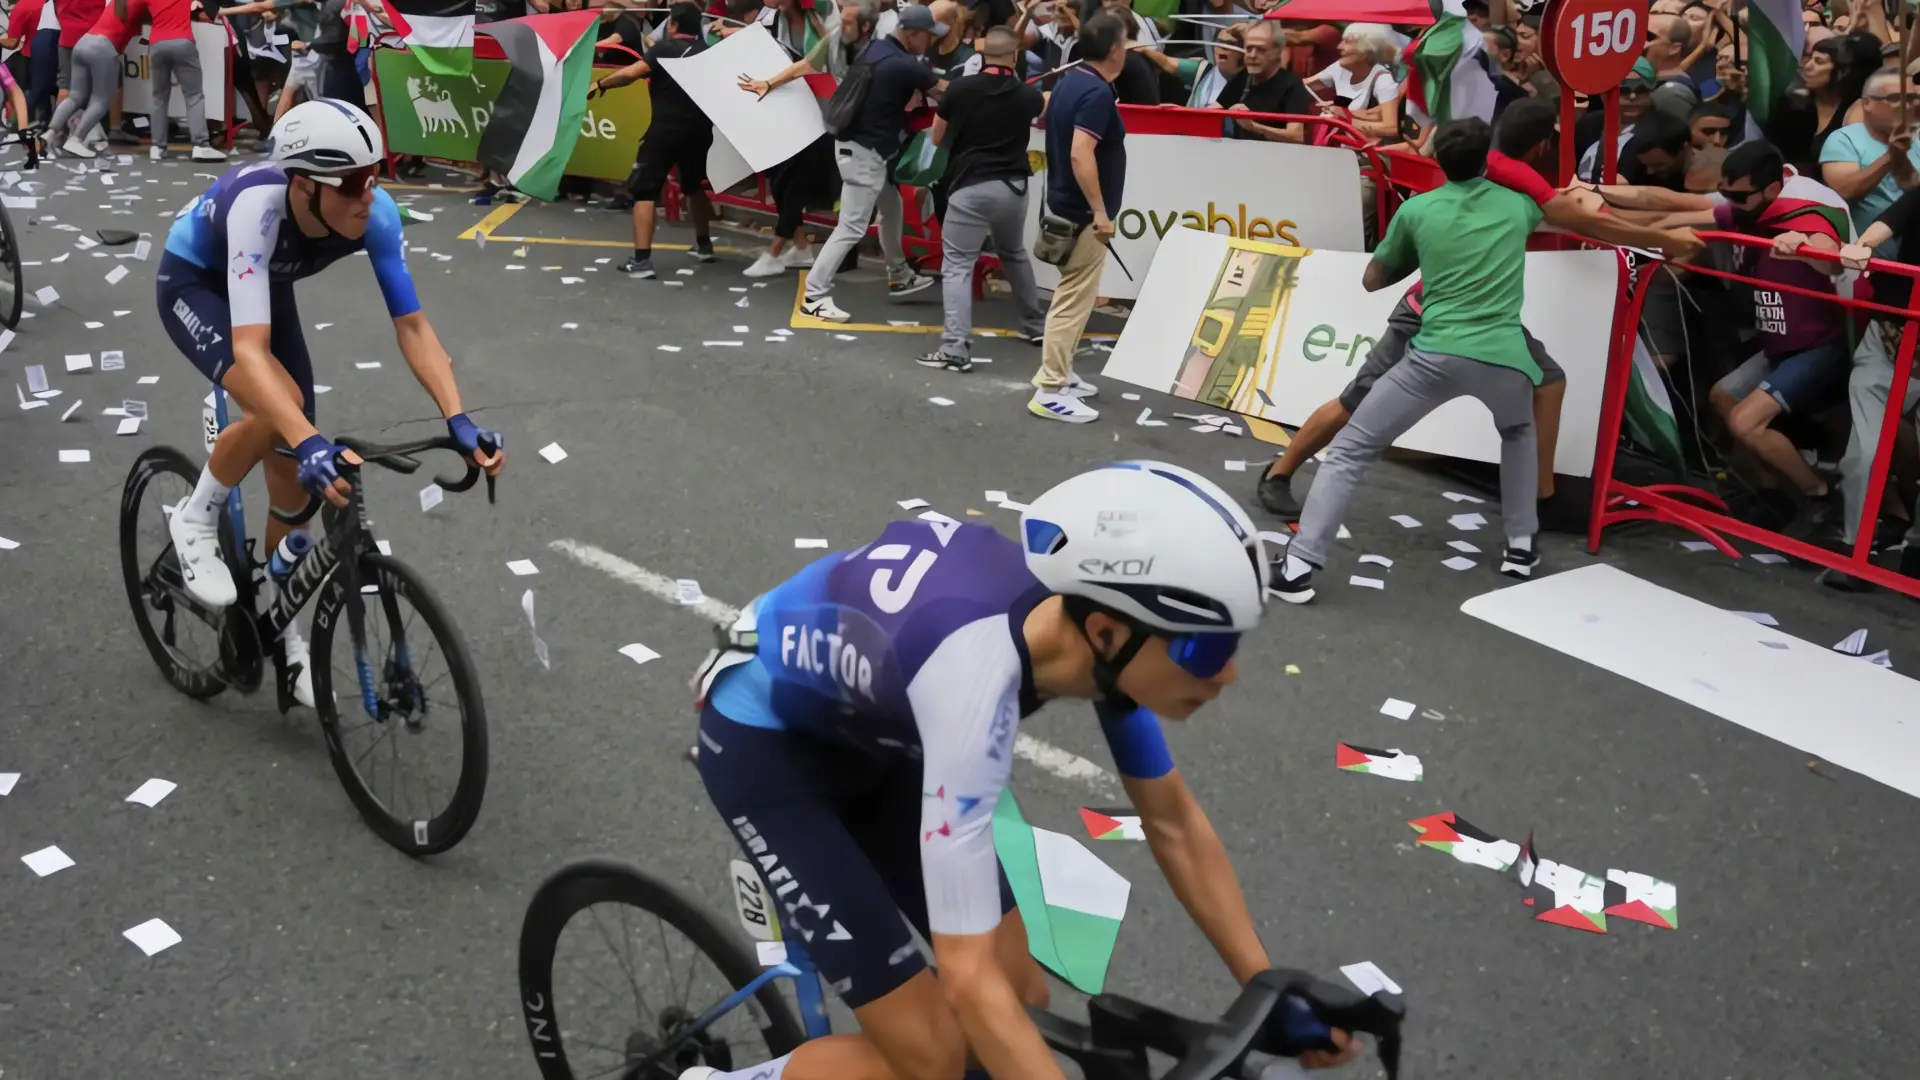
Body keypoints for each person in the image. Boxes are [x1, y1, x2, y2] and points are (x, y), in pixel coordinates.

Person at [681, 461, 1362, 1080]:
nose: (1229, 674)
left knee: (1024, 1003)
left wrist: (1264, 988)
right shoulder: (971, 678)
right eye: (1209, 648)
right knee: (938, 1054)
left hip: (880, 735)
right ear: (1106, 632)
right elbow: (968, 980)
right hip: (769, 750)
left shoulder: (1088, 629)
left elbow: (1173, 823)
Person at [158, 100, 506, 708]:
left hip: (267, 284)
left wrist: (458, 419)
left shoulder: (376, 214)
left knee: (294, 493)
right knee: (280, 410)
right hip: (196, 283)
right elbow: (250, 348)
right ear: (302, 185)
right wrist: (307, 435)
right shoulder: (257, 209)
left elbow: (415, 328)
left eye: (375, 174)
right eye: (349, 183)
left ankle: (283, 636)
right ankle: (195, 514)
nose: (366, 194)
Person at [1254, 99, 1704, 529]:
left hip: (1482, 316)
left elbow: (1375, 278)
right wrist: (1667, 241)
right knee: (1356, 403)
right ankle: (1279, 471)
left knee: (1549, 381)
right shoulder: (1521, 187)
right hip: (1433, 314)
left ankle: (1540, 496)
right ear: (1542, 145)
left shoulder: (1471, 179)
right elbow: (1589, 221)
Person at [1272, 118, 1547, 602]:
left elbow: (1373, 279)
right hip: (1505, 355)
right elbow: (1555, 209)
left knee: (1351, 450)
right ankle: (1521, 547)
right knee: (1520, 433)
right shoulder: (1518, 206)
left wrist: (1420, 255)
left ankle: (1298, 566)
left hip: (1436, 353)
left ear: (1435, 157)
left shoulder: (1418, 210)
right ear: (1488, 159)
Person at [746, 3, 945, 324]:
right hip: (864, 155)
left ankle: (900, 273)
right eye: (928, 36)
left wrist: (770, 82)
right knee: (851, 227)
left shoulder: (876, 48)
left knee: (891, 206)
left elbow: (811, 64)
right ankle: (815, 294)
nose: (931, 42)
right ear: (912, 34)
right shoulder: (904, 64)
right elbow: (945, 93)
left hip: (859, 149)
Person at [1697, 141, 1852, 522]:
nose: (1732, 201)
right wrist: (1606, 203)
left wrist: (1804, 248)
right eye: (1727, 193)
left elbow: (1831, 260)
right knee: (1723, 397)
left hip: (1818, 347)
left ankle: (1819, 494)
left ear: (1771, 188)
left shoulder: (1808, 214)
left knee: (1745, 421)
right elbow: (1671, 207)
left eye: (1739, 194)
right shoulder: (1746, 214)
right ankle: (1773, 491)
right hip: (1777, 348)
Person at [918, 24, 1044, 373]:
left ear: (982, 54)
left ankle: (955, 348)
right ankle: (1035, 326)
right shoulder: (1027, 95)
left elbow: (938, 137)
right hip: (1014, 187)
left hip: (971, 184)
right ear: (1015, 56)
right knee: (1014, 253)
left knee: (957, 264)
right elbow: (1040, 109)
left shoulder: (959, 90)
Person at [1027, 11, 1124, 424]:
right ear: (1116, 50)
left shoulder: (1072, 80)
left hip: (1066, 203)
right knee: (1072, 299)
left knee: (1076, 296)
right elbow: (1080, 152)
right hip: (1083, 212)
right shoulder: (1098, 93)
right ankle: (1050, 388)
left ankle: (1061, 374)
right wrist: (1101, 211)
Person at [1830, 192, 1920, 586]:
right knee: (1863, 454)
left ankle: (1915, 553)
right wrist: (1861, 246)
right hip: (1888, 342)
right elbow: (1886, 224)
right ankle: (1855, 552)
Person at [593, 2, 717, 278]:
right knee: (694, 186)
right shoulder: (708, 53)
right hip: (699, 130)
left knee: (644, 192)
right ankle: (704, 245)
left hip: (664, 131)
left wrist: (601, 84)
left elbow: (629, 74)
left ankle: (641, 261)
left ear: (673, 25)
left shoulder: (664, 49)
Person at [1819, 67, 1920, 244]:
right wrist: (1889, 158)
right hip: (1866, 261)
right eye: (1894, 98)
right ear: (1867, 104)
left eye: (1911, 99)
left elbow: (1915, 193)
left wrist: (1902, 158)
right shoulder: (1845, 139)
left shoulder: (1915, 140)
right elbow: (1845, 191)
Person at [47, 0, 139, 159]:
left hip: (74, 38)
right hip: (99, 40)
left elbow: (56, 9)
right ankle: (78, 138)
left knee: (71, 92)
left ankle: (52, 133)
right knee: (102, 99)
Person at [1213, 19, 1314, 144]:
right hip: (1241, 154)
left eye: (1261, 50)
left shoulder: (1292, 84)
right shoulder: (1244, 76)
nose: (1253, 55)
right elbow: (1215, 109)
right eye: (1249, 49)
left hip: (1277, 158)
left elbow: (1296, 136)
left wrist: (1253, 127)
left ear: (1276, 52)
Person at [149, 0, 227, 160]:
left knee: (159, 97)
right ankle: (201, 145)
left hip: (157, 44)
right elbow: (206, 9)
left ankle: (157, 147)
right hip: (183, 41)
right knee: (194, 96)